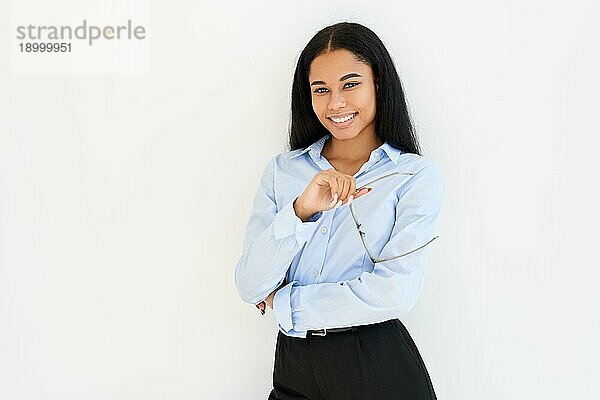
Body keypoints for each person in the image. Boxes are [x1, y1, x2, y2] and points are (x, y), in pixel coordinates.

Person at [234, 21, 442, 400]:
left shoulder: (412, 176)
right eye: (321, 90)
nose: (336, 103)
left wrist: (285, 301)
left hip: (377, 363)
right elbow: (250, 284)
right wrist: (301, 211)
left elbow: (394, 292)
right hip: (294, 364)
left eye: (350, 84)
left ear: (378, 83)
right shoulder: (283, 172)